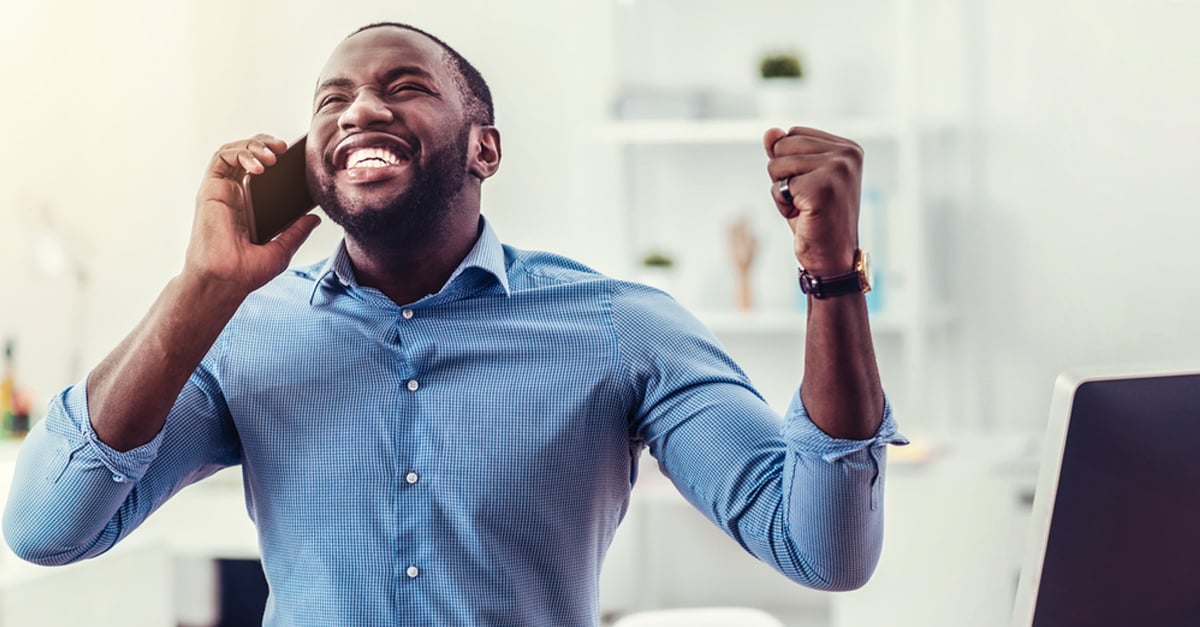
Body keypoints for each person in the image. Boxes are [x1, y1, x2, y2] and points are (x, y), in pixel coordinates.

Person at [3, 22, 905, 626]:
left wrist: (831, 278)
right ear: (313, 163)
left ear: (485, 146)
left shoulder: (622, 328)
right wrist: (203, 287)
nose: (360, 108)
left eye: (404, 87)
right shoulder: (240, 335)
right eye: (332, 101)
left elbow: (821, 546)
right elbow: (48, 526)